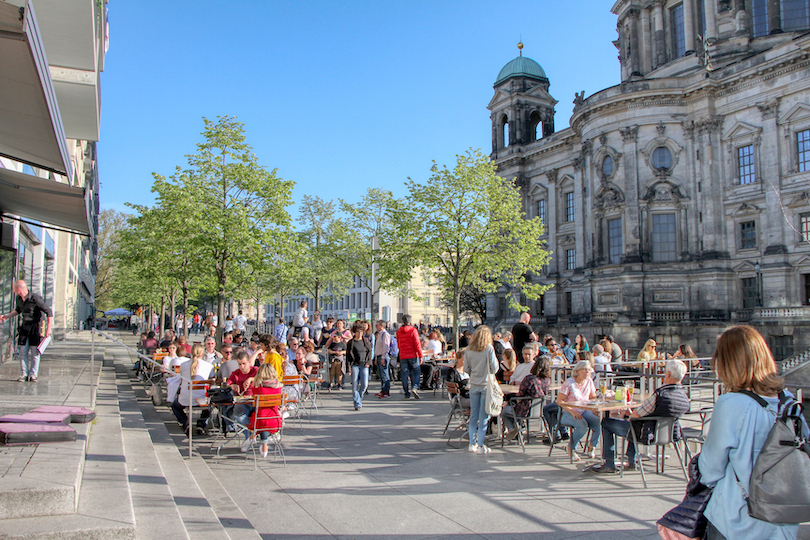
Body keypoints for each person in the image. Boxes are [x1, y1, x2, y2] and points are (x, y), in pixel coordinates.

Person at [698, 326, 807, 539]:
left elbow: (710, 469)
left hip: (737, 519)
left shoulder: (731, 403)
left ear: (728, 363)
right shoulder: (788, 401)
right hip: (782, 520)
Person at [591, 359, 690, 474]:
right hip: (669, 434)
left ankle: (609, 463)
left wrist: (630, 412)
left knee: (607, 422)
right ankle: (631, 461)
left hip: (646, 433)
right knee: (635, 421)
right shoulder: (683, 396)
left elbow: (637, 414)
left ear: (667, 374)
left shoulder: (660, 395)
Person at [0, 280, 53, 383]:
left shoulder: (35, 298)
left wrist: (48, 328)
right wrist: (6, 316)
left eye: (14, 289)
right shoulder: (19, 299)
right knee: (23, 351)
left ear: (18, 289)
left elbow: (48, 311)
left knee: (35, 352)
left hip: (35, 328)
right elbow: (18, 310)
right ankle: (24, 374)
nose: (14, 291)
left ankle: (33, 374)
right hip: (24, 328)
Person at [464, 325, 498, 454]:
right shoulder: (488, 349)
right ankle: (480, 445)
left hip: (474, 385)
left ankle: (471, 443)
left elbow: (466, 369)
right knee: (484, 417)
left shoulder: (468, 349)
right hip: (485, 385)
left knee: (474, 416)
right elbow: (495, 368)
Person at [557, 360, 600, 462]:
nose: (587, 372)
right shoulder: (569, 383)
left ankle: (592, 445)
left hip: (585, 410)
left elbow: (593, 397)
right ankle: (571, 447)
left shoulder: (589, 381)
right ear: (578, 371)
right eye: (585, 370)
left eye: (589, 370)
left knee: (599, 422)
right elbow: (560, 401)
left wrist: (594, 408)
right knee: (583, 425)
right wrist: (572, 411)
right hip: (568, 412)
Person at [501, 357, 552, 440]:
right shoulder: (547, 380)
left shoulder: (529, 378)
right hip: (539, 410)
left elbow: (520, 394)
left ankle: (513, 429)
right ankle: (518, 427)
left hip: (524, 409)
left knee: (504, 411)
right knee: (513, 410)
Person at [171, 344, 214, 433]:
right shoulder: (209, 366)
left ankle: (184, 422)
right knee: (211, 404)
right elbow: (212, 379)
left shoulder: (183, 365)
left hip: (186, 398)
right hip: (201, 399)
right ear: (203, 354)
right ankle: (201, 423)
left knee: (175, 405)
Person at [246, 363, 284, 458]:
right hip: (275, 420)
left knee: (252, 417)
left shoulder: (257, 388)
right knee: (264, 418)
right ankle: (260, 445)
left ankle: (252, 440)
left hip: (259, 420)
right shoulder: (278, 388)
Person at [396, 314, 423, 400]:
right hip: (412, 355)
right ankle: (414, 387)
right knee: (416, 372)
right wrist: (420, 355)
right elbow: (417, 344)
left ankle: (406, 393)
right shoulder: (413, 330)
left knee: (404, 374)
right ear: (410, 321)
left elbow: (398, 344)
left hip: (403, 355)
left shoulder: (398, 331)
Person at [346, 321, 372, 410]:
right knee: (355, 385)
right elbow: (348, 356)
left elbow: (369, 352)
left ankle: (359, 398)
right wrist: (348, 368)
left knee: (364, 384)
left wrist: (368, 362)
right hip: (355, 365)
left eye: (361, 331)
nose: (360, 333)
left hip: (364, 365)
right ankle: (357, 403)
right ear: (354, 332)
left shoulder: (366, 341)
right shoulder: (351, 343)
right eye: (358, 331)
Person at [374, 320, 392, 399]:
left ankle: (386, 391)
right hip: (378, 355)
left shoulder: (385, 334)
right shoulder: (379, 334)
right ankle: (383, 389)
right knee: (381, 374)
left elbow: (386, 346)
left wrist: (383, 357)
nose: (376, 326)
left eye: (377, 325)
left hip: (382, 356)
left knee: (385, 374)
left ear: (382, 326)